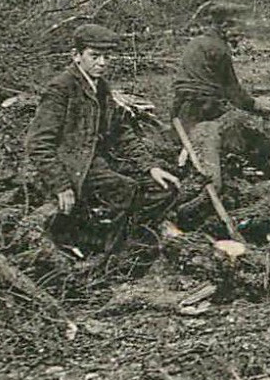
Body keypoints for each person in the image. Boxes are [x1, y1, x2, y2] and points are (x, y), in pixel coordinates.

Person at [25, 22, 180, 227]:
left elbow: (121, 133)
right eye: (94, 56)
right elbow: (38, 143)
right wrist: (61, 185)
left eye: (107, 57)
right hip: (74, 166)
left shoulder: (102, 88)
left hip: (101, 162)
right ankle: (107, 247)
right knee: (125, 189)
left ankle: (122, 231)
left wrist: (150, 167)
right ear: (76, 55)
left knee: (164, 188)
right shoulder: (61, 89)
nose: (102, 63)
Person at [171, 1, 270, 128]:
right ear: (224, 26)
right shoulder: (220, 49)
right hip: (204, 108)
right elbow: (231, 89)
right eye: (237, 33)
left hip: (180, 107)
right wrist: (255, 104)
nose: (239, 38)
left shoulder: (195, 42)